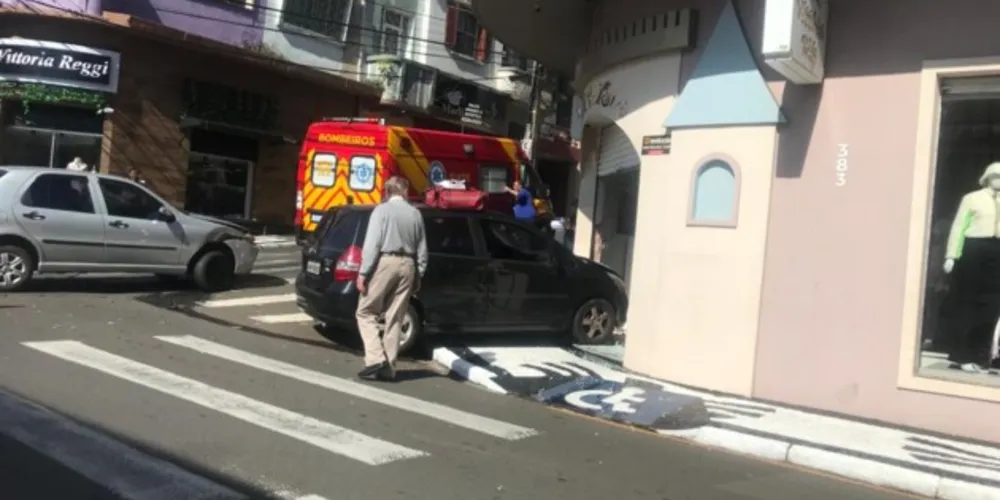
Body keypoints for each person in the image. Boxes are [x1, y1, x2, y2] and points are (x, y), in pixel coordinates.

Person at [354, 176, 428, 381]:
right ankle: (389, 368)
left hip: (386, 261)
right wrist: (419, 272)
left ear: (387, 192)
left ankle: (376, 358)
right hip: (409, 264)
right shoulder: (415, 214)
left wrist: (363, 273)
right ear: (405, 191)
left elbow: (372, 245)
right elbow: (422, 248)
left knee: (365, 311)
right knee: (395, 317)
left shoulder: (381, 211)